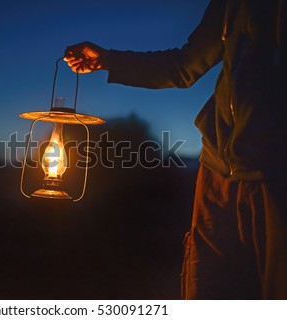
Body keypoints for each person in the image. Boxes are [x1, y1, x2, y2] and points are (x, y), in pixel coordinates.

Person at [64, 0, 287, 299]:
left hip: (276, 175)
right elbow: (183, 66)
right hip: (218, 168)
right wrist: (108, 60)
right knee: (207, 290)